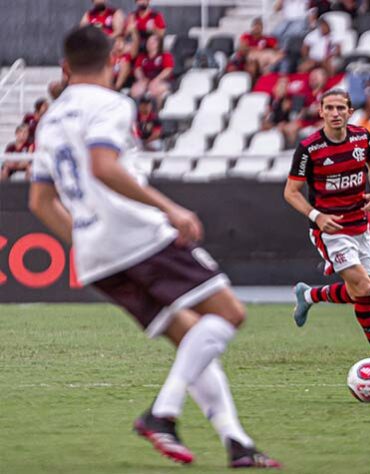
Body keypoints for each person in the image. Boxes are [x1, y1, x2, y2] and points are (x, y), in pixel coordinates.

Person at [28, 26, 279, 469]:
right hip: (136, 234)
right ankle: (162, 414)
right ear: (114, 62)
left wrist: (83, 238)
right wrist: (170, 209)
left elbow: (39, 202)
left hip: (95, 254)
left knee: (190, 339)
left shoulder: (49, 119)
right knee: (229, 314)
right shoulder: (111, 103)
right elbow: (103, 165)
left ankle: (237, 443)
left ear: (65, 68)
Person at [284, 89, 370, 366]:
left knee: (358, 292)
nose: (335, 113)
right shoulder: (309, 148)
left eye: (341, 108)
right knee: (364, 289)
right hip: (330, 230)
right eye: (329, 108)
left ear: (350, 111)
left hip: (360, 226)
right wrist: (316, 216)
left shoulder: (363, 138)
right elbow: (291, 192)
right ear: (321, 112)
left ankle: (309, 294)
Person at [131, 34, 174, 105]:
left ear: (159, 44)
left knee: (154, 89)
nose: (150, 44)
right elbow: (137, 69)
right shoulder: (142, 57)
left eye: (153, 42)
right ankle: (137, 113)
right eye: (148, 42)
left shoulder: (165, 55)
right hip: (146, 81)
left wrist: (156, 80)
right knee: (135, 90)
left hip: (163, 81)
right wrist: (142, 79)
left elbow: (168, 70)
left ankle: (156, 113)